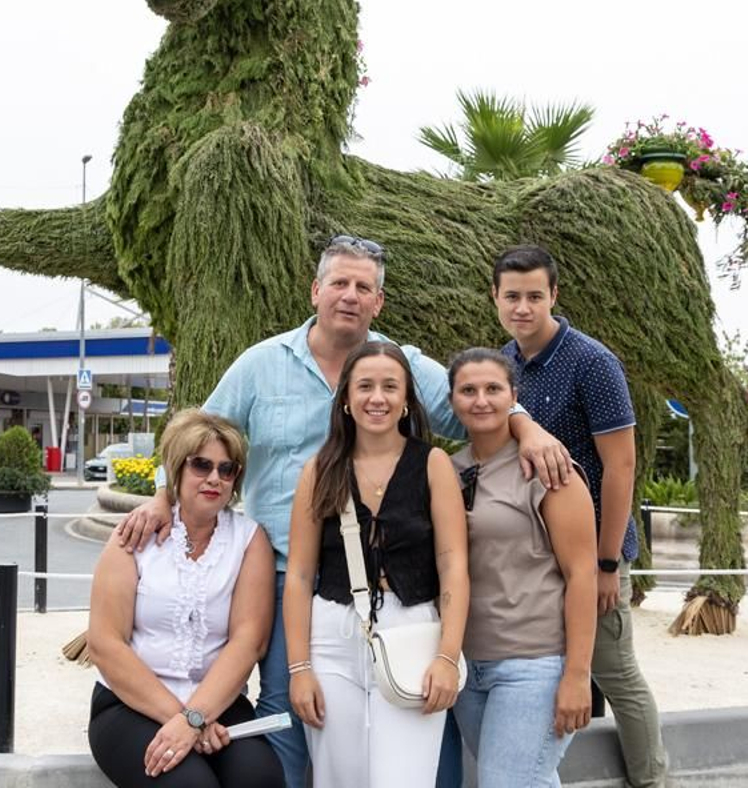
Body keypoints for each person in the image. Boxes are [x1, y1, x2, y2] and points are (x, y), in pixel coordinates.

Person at [115, 235, 572, 788]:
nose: (350, 296)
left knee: (423, 713)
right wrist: (163, 496)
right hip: (285, 575)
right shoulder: (261, 366)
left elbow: (477, 402)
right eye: (339, 283)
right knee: (290, 710)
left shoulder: (398, 365)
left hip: (401, 589)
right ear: (316, 291)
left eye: (364, 287)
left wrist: (529, 428)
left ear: (379, 301)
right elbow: (199, 440)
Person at [490, 244, 664, 788]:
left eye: (534, 296)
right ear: (495, 297)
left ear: (554, 296)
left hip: (594, 551)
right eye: (512, 296)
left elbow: (621, 464)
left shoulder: (592, 362)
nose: (523, 308)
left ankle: (651, 779)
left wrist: (608, 561)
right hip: (535, 550)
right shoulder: (505, 362)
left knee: (613, 670)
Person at [283, 341, 469, 787]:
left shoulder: (433, 464)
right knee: (338, 779)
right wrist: (299, 669)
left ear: (406, 399)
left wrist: (447, 656)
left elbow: (454, 567)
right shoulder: (320, 469)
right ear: (346, 398)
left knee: (404, 779)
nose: (377, 398)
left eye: (390, 386)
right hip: (333, 638)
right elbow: (300, 575)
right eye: (364, 386)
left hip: (414, 632)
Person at [85, 410, 284, 788]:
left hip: (218, 703)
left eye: (227, 470)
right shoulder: (134, 536)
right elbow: (105, 644)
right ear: (177, 469)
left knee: (261, 779)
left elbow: (248, 642)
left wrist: (197, 717)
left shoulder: (249, 540)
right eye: (201, 465)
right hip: (130, 705)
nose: (214, 478)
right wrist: (184, 720)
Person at [446, 348, 597, 788]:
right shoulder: (448, 470)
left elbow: (582, 575)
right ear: (452, 401)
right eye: (468, 390)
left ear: (514, 397)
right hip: (467, 666)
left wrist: (577, 675)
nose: (481, 400)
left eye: (493, 389)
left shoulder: (549, 469)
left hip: (533, 664)